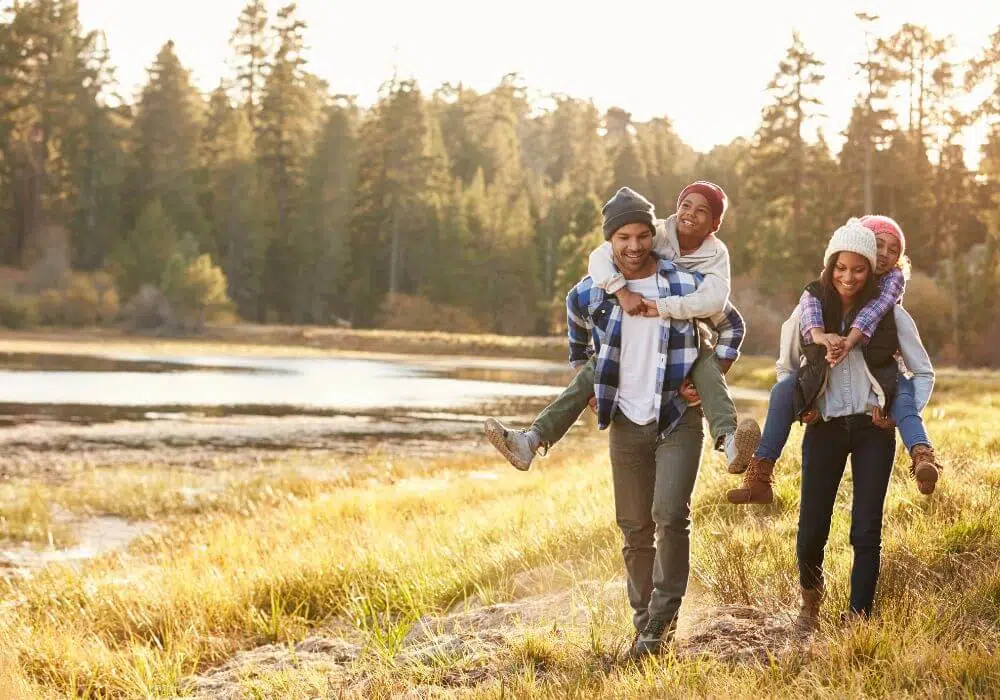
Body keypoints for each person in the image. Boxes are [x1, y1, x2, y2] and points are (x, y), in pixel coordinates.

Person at [559, 187, 746, 659]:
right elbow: (575, 317)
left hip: (677, 415)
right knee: (633, 527)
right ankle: (645, 629)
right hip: (625, 418)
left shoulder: (682, 283)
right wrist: (586, 369)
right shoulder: (595, 288)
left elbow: (731, 322)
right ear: (611, 242)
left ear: (652, 237)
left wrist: (709, 373)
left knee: (669, 516)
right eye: (624, 237)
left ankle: (660, 626)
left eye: (643, 235)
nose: (636, 246)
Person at [485, 183, 759, 475]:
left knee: (706, 366)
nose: (690, 214)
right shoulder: (653, 235)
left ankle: (730, 442)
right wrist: (621, 292)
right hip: (631, 339)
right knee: (595, 369)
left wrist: (712, 369)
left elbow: (720, 305)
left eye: (702, 210)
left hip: (688, 337)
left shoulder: (713, 258)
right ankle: (531, 441)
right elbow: (600, 258)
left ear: (715, 224)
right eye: (686, 205)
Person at [766, 221, 934, 627]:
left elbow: (923, 372)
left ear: (871, 266)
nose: (849, 276)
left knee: (866, 529)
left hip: (872, 431)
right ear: (831, 265)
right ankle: (811, 598)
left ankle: (859, 615)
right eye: (841, 268)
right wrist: (806, 405)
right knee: (811, 529)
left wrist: (894, 412)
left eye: (858, 269)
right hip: (824, 428)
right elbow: (785, 368)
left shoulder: (891, 314)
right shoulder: (810, 309)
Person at [727, 215, 942, 505]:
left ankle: (922, 455)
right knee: (782, 391)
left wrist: (852, 343)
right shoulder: (817, 293)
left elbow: (875, 317)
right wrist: (817, 342)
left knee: (902, 396)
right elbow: (792, 351)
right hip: (824, 387)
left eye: (894, 251)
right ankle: (759, 472)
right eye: (879, 245)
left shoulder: (890, 294)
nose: (885, 255)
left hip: (880, 378)